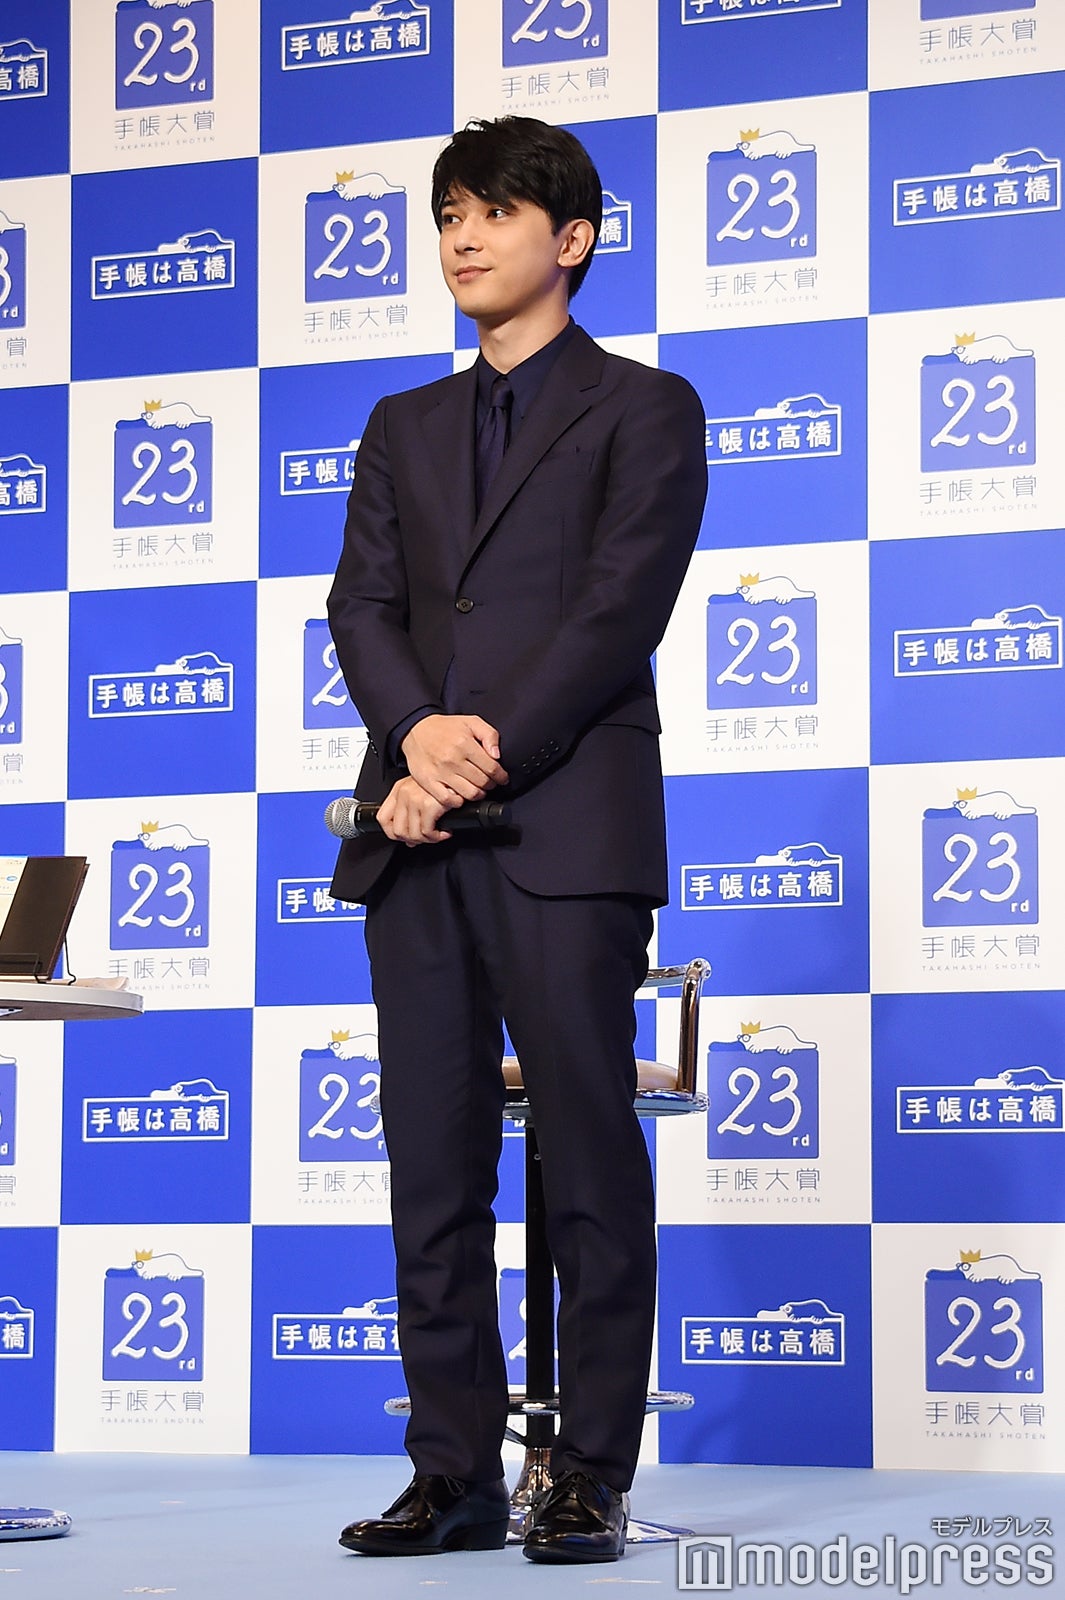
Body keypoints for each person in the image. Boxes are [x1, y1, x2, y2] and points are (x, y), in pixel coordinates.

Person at [326, 115, 707, 1564]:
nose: (463, 239)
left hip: (563, 824)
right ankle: (456, 1476)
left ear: (574, 238)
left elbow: (619, 608)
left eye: (492, 212)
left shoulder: (645, 407)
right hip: (414, 835)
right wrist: (416, 736)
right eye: (448, 216)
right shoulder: (401, 424)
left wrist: (471, 750)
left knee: (589, 1157)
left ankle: (586, 1474)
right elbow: (362, 605)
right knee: (432, 1167)